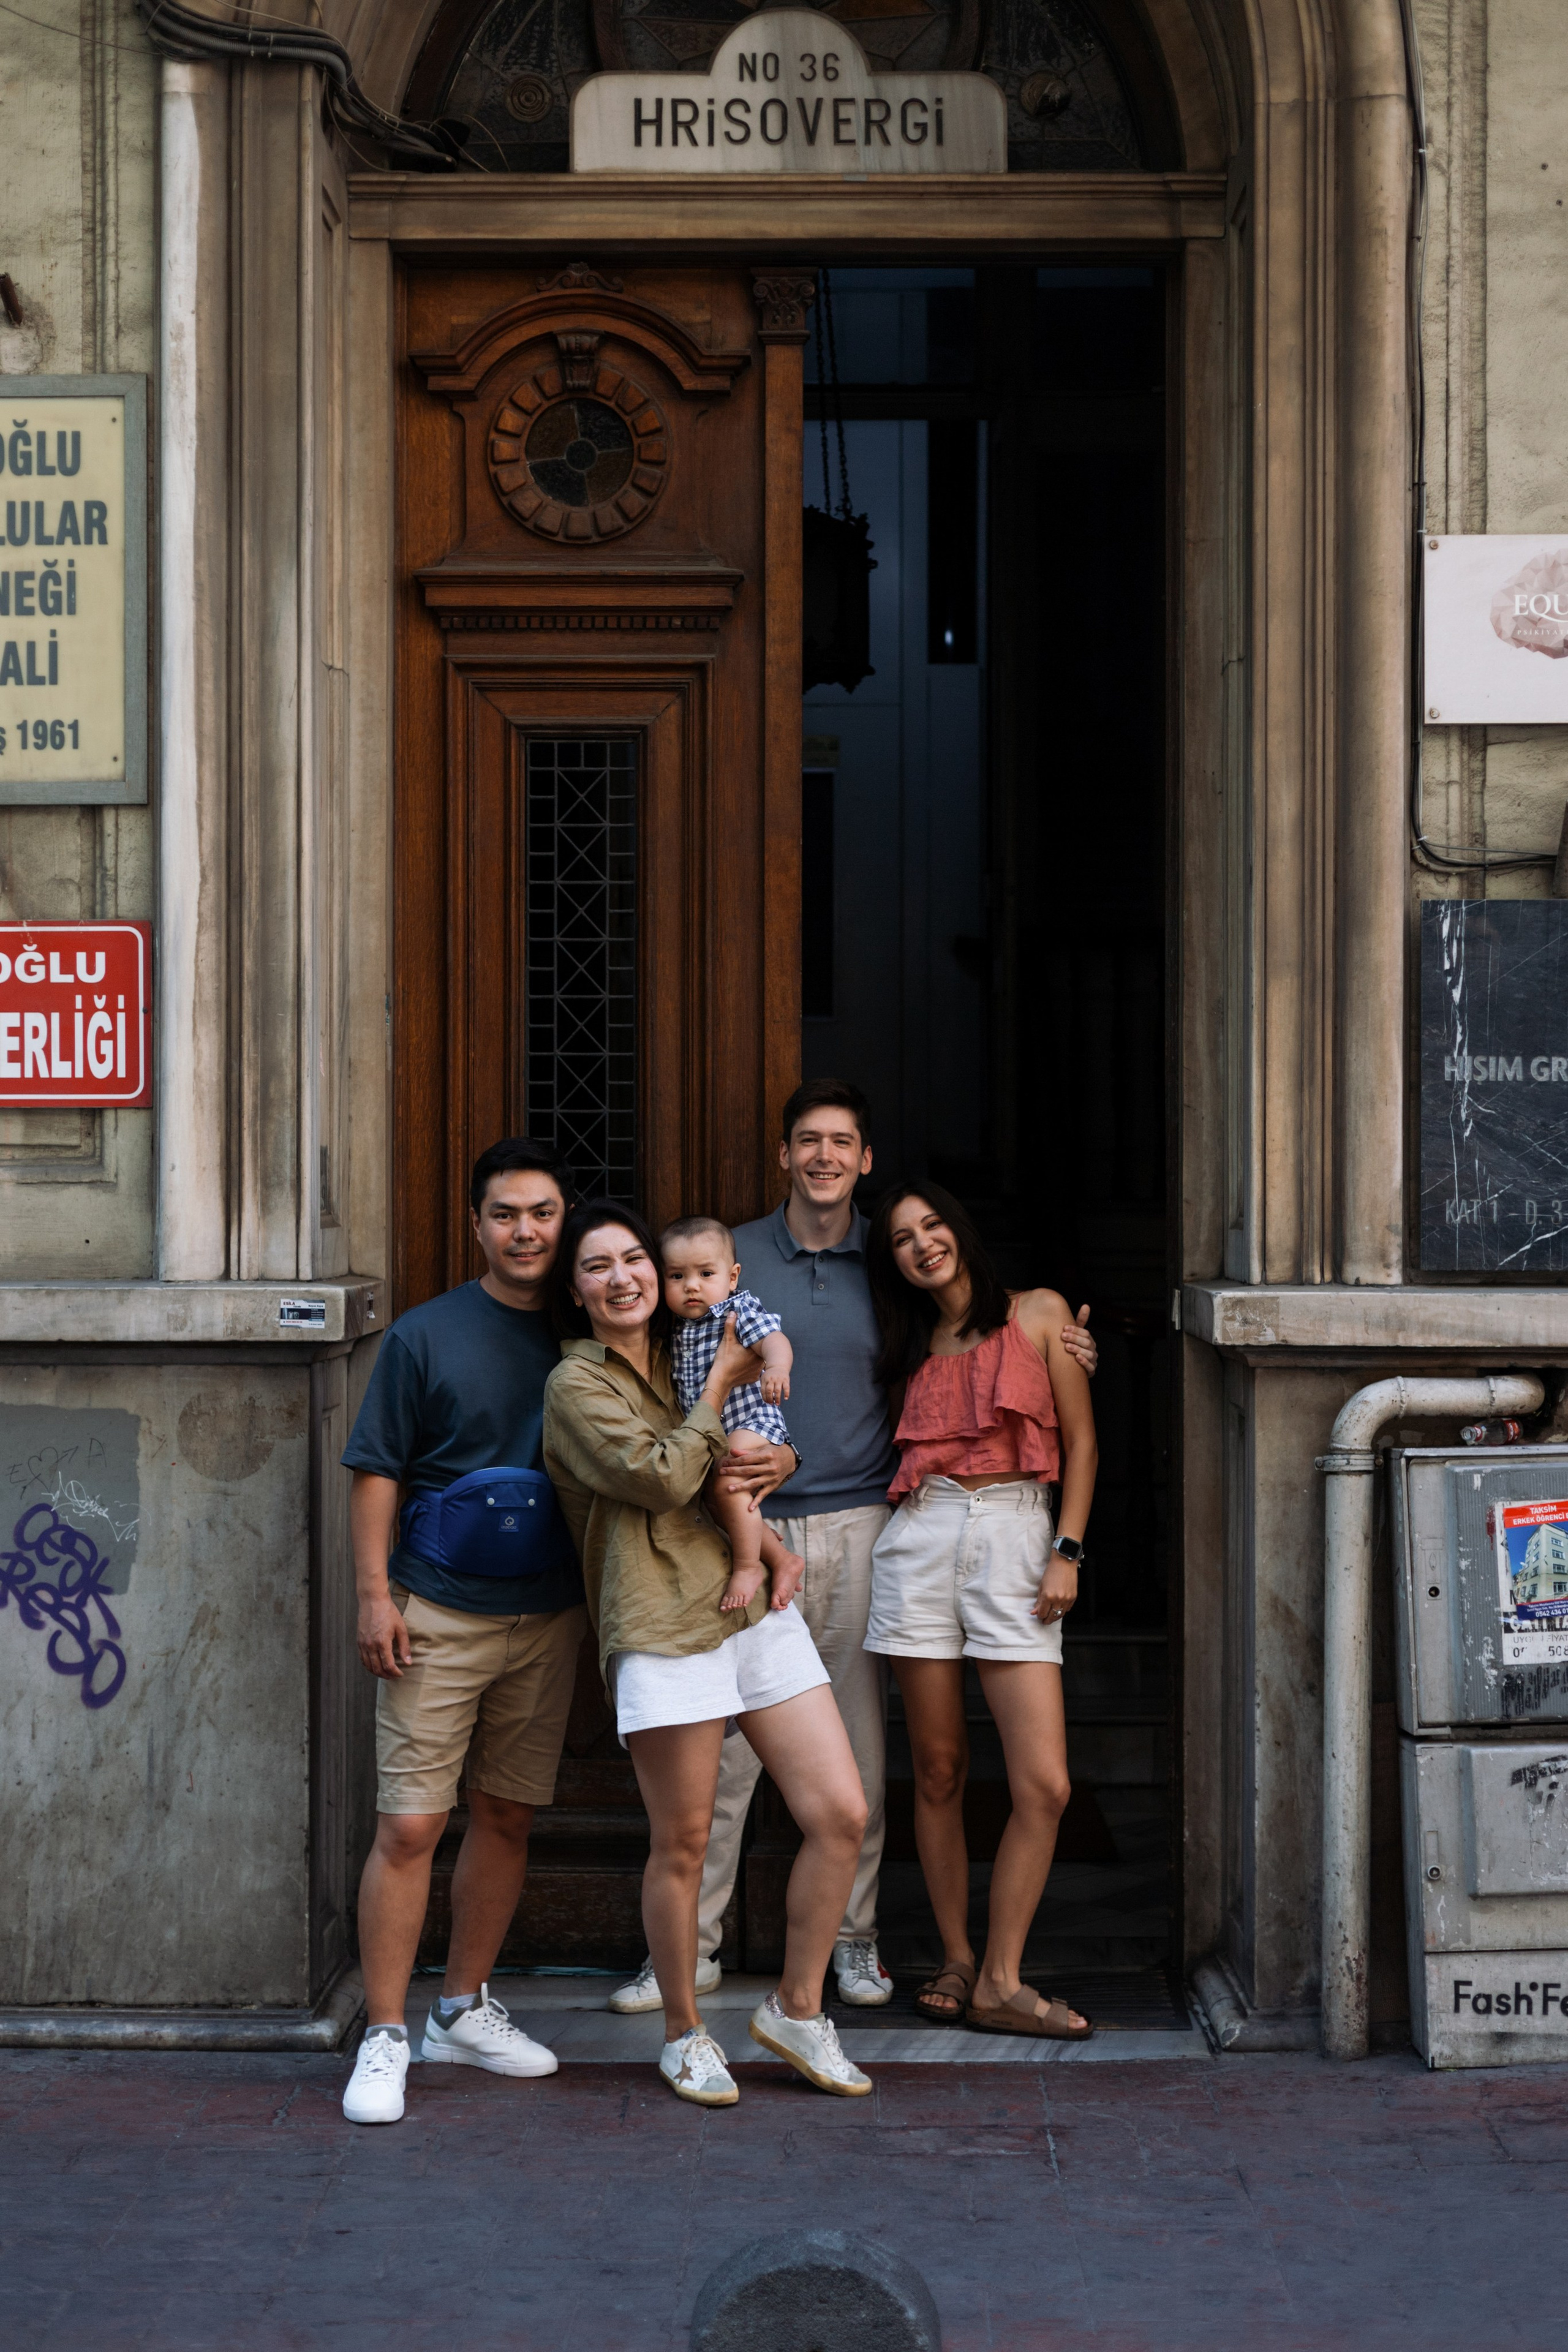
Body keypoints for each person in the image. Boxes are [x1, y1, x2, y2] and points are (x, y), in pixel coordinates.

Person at [611, 1079, 1098, 2018]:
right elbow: (656, 1356)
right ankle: (685, 1948)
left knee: (856, 1747)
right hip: (738, 1526)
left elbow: (977, 1340)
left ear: (865, 1159)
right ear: (784, 1155)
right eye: (808, 1140)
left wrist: (1068, 1346)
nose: (825, 1156)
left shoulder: (890, 1261)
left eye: (842, 1142)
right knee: (719, 1751)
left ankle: (856, 1940)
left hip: (868, 1522)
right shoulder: (725, 1256)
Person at [543, 1201, 873, 2105]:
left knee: (841, 1813)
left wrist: (782, 1458)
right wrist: (726, 1381)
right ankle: (685, 2034)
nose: (622, 1278)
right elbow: (660, 1479)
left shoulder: (694, 1340)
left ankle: (797, 2009)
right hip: (661, 1620)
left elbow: (757, 1434)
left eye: (634, 1259)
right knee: (684, 1841)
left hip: (753, 1608)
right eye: (598, 1266)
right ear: (576, 1290)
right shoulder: (577, 1384)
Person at [337, 1139, 588, 2126]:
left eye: (542, 1213)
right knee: (409, 1825)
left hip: (550, 1613)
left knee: (508, 1815)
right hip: (436, 1611)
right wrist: (374, 1596)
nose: (525, 1232)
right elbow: (377, 1468)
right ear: (476, 1224)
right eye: (505, 1214)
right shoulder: (424, 1335)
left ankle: (461, 2010)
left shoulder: (593, 1325)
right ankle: (385, 2034)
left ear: (565, 1221)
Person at [865, 1180, 1098, 2040]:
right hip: (921, 1537)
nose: (922, 1245)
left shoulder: (1040, 1313)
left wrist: (1068, 1550)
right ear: (892, 1261)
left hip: (1017, 1535)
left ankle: (1003, 1976)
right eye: (902, 1238)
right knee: (936, 1769)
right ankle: (959, 1960)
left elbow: (1082, 1441)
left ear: (959, 1229)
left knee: (1044, 1783)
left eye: (932, 1225)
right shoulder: (905, 1343)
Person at [662, 1213, 802, 1615]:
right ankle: (783, 1559)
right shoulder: (676, 1327)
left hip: (751, 1422)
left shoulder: (737, 1310)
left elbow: (774, 1339)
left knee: (731, 1475)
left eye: (705, 1274)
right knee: (718, 1496)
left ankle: (747, 1567)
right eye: (677, 1276)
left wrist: (777, 1368)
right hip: (714, 1434)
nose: (691, 1286)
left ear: (732, 1276)